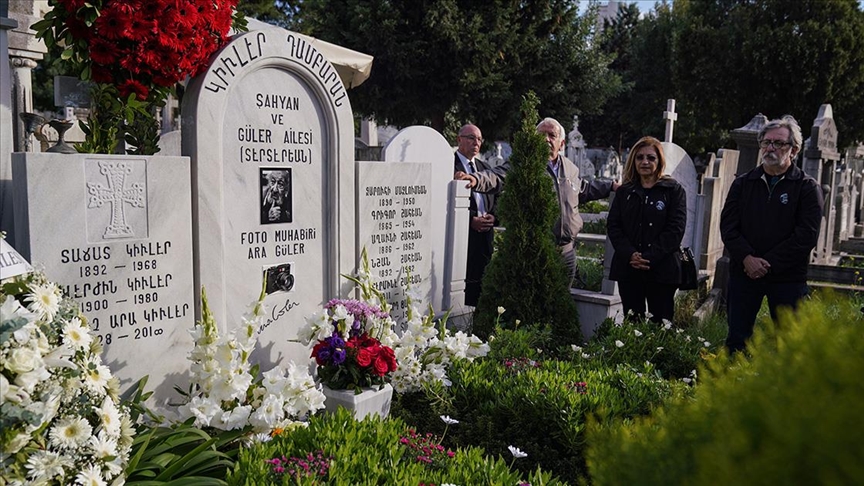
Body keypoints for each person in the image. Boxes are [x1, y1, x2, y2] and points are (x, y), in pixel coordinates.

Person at [457, 117, 618, 286]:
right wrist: (475, 179)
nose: (545, 139)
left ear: (561, 143)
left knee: (562, 299)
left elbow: (583, 189)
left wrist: (611, 186)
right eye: (541, 135)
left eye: (551, 135)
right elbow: (498, 175)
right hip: (536, 249)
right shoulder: (525, 163)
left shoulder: (570, 168)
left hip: (566, 251)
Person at [719, 115, 824, 353]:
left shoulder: (807, 188)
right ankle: (735, 385)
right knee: (737, 339)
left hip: (787, 277)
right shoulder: (744, 183)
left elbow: (806, 235)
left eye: (779, 143)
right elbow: (728, 226)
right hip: (744, 273)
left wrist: (767, 264)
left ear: (794, 150)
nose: (771, 148)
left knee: (788, 344)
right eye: (766, 142)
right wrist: (747, 258)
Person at [607, 137, 686, 323]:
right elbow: (614, 225)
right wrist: (631, 254)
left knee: (661, 325)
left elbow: (676, 229)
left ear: (659, 161)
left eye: (651, 158)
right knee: (632, 322)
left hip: (662, 268)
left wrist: (649, 256)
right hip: (629, 268)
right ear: (633, 160)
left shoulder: (673, 190)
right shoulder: (624, 192)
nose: (645, 162)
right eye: (640, 157)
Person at [454, 124, 498, 306]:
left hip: (485, 236)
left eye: (479, 139)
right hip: (462, 236)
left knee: (482, 284)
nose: (476, 143)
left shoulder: (484, 167)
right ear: (459, 140)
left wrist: (493, 217)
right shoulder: (450, 165)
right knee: (463, 287)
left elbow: (497, 198)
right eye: (471, 138)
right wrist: (470, 219)